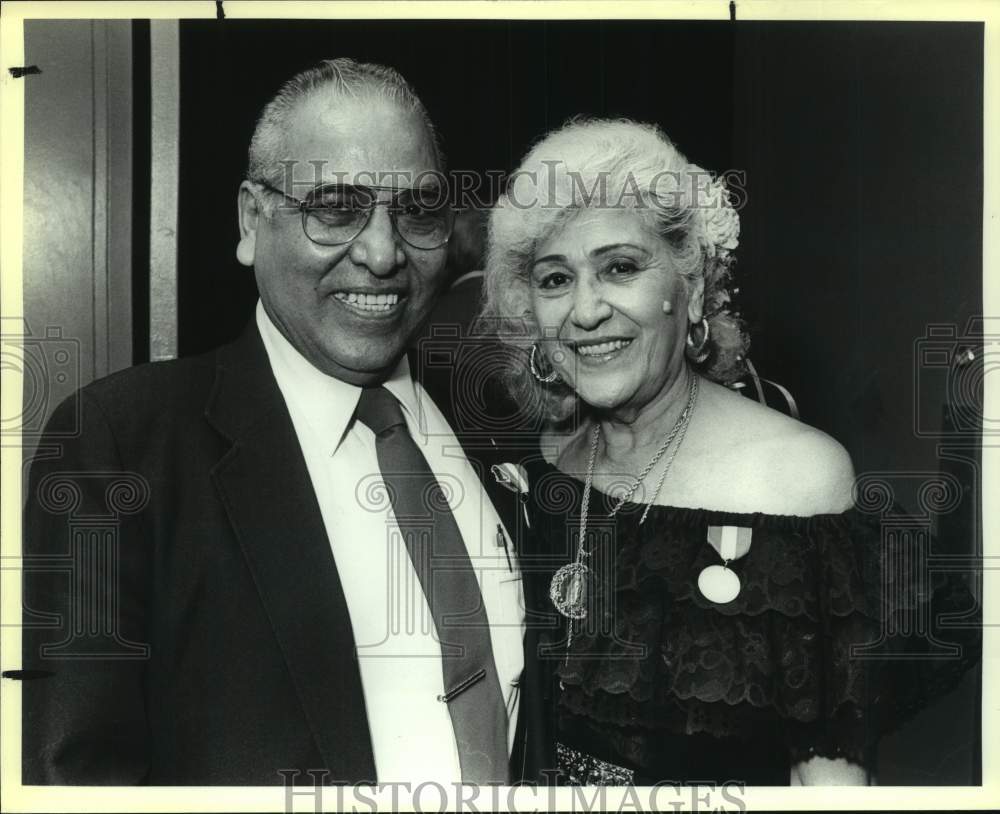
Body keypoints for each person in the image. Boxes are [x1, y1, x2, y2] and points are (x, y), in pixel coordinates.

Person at [22, 58, 541, 785]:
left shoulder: (501, 426)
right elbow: (73, 777)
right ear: (249, 219)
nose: (383, 253)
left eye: (417, 211)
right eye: (335, 208)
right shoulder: (121, 445)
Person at [481, 118, 980, 785]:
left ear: (690, 290)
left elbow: (826, 787)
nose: (585, 310)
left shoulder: (796, 481)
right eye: (554, 279)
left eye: (620, 268)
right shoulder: (535, 468)